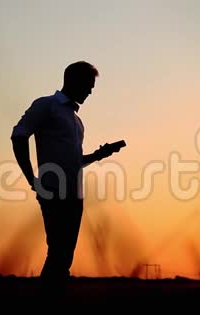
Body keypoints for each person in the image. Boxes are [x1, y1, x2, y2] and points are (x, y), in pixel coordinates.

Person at [10, 61, 119, 297]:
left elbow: (74, 161)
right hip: (52, 191)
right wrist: (32, 179)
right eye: (88, 86)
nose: (90, 91)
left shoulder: (77, 121)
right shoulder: (46, 105)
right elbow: (18, 136)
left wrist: (100, 155)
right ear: (73, 81)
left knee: (63, 256)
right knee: (59, 253)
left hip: (75, 195)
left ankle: (53, 297)